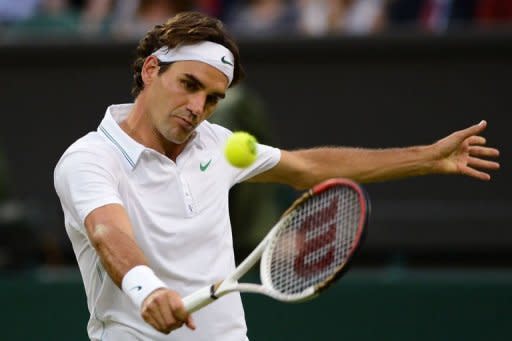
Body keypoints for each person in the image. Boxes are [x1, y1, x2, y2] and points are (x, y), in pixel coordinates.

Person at [53, 11, 500, 341]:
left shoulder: (214, 143)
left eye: (212, 98)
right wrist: (148, 290)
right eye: (188, 85)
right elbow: (107, 231)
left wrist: (427, 158)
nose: (197, 109)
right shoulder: (89, 159)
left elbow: (310, 168)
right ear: (152, 69)